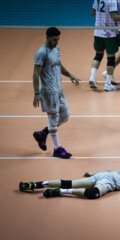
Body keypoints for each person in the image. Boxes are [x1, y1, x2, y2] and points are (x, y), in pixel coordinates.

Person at [32, 27, 80, 159]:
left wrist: (70, 75)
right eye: (54, 40)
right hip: (48, 91)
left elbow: (59, 65)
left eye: (58, 39)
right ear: (47, 37)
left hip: (59, 89)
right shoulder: (41, 53)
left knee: (65, 116)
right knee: (53, 120)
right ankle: (57, 149)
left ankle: (42, 134)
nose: (57, 42)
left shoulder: (56, 49)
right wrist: (36, 93)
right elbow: (36, 73)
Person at [19, 165, 120, 199]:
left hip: (104, 175)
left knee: (69, 182)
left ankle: (36, 185)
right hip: (109, 181)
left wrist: (94, 174)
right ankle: (58, 192)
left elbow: (113, 171)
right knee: (93, 194)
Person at [88, 0, 120, 91]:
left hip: (98, 31)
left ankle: (92, 77)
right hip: (109, 33)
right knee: (110, 58)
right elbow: (114, 17)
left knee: (98, 55)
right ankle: (108, 84)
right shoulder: (112, 0)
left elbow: (93, 12)